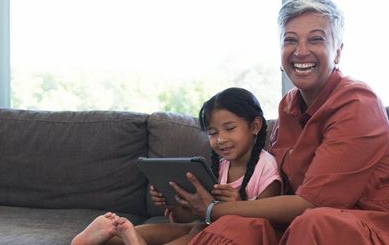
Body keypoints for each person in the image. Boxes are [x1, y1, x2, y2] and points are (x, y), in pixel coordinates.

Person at [169, 0, 389, 244]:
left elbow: (313, 203)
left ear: (337, 52)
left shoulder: (358, 102)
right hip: (295, 223)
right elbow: (279, 193)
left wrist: (213, 209)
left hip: (368, 225)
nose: (301, 51)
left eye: (316, 39)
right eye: (290, 40)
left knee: (313, 222)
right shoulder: (288, 105)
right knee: (237, 226)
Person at [70, 87, 282, 245]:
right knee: (163, 230)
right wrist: (173, 203)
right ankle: (103, 236)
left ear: (255, 126)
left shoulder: (266, 168)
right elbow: (196, 216)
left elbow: (267, 226)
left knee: (194, 233)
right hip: (203, 225)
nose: (220, 139)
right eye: (213, 132)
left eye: (229, 128)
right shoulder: (221, 166)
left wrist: (236, 205)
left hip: (228, 235)